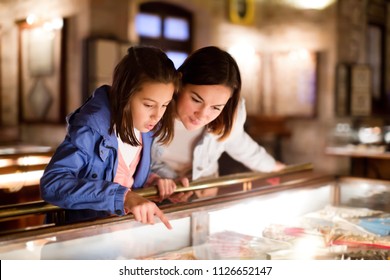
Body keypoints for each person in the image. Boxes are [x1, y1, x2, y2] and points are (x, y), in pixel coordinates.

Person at [40, 46, 181, 229]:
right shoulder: (90, 130)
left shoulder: (146, 130)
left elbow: (125, 176)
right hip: (80, 238)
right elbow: (53, 184)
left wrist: (153, 181)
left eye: (164, 105)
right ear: (125, 93)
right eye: (148, 105)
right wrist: (122, 197)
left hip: (118, 235)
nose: (157, 116)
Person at [151, 46, 285, 201]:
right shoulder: (154, 109)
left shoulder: (228, 116)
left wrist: (275, 168)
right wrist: (165, 181)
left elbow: (242, 146)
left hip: (203, 199)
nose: (202, 114)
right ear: (180, 84)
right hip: (154, 197)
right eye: (196, 100)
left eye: (216, 108)